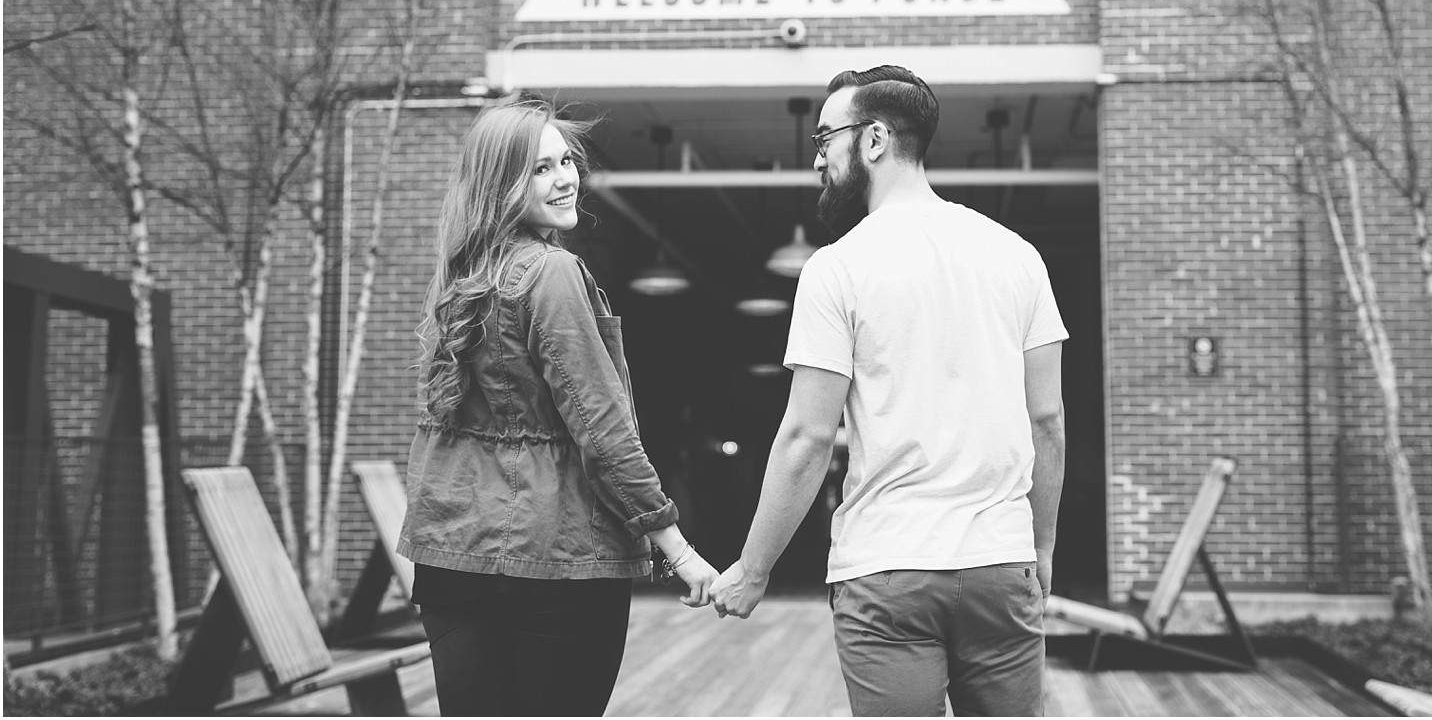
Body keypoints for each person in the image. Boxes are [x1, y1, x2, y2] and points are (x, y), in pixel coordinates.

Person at [709, 65, 1068, 717]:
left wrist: (753, 569)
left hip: (886, 569)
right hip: (999, 563)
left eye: (826, 140)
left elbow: (807, 436)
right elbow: (1046, 421)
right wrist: (1038, 549)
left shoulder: (837, 267)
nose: (818, 159)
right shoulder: (1018, 255)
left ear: (874, 139)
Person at [397, 97, 717, 717]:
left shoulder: (460, 278)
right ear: (500, 183)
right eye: (540, 168)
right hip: (557, 559)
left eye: (566, 160)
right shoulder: (552, 273)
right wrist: (676, 548)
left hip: (452, 556)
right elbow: (602, 428)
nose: (567, 177)